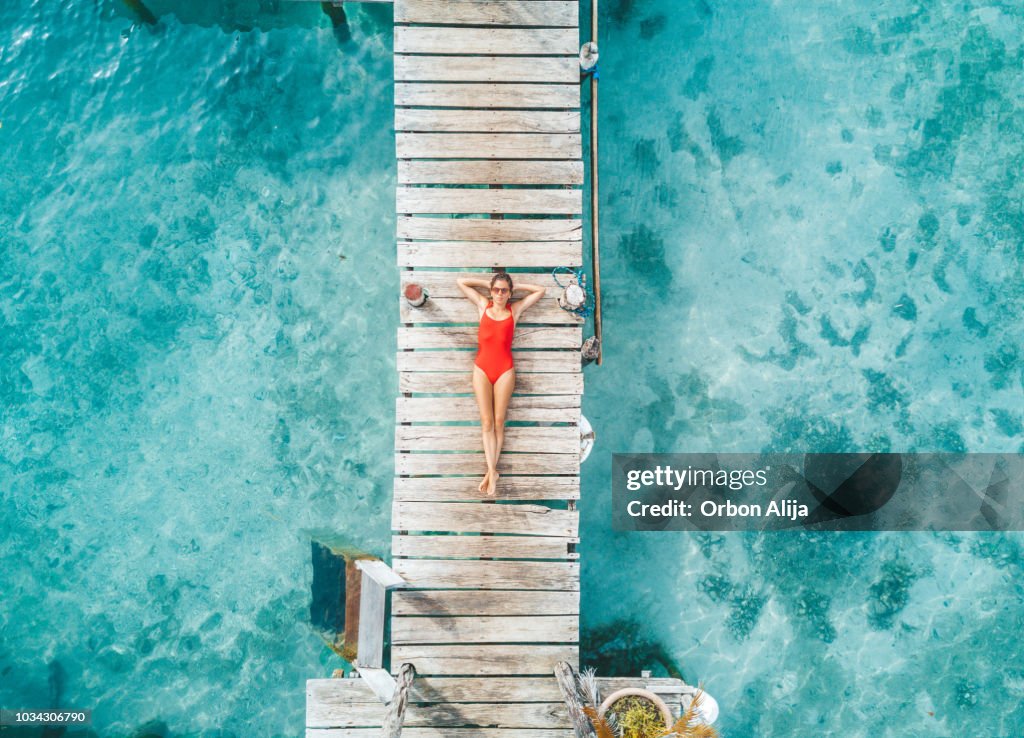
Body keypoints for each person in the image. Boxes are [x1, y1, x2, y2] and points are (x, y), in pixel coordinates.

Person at [456, 273, 545, 496]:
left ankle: (491, 472)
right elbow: (461, 282)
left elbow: (540, 291)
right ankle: (492, 471)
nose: (499, 294)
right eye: (496, 290)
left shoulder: (514, 311)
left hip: (505, 370)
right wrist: (487, 283)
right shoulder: (482, 305)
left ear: (509, 293)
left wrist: (515, 287)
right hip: (481, 369)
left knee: (498, 421)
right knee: (486, 422)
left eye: (504, 290)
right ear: (491, 290)